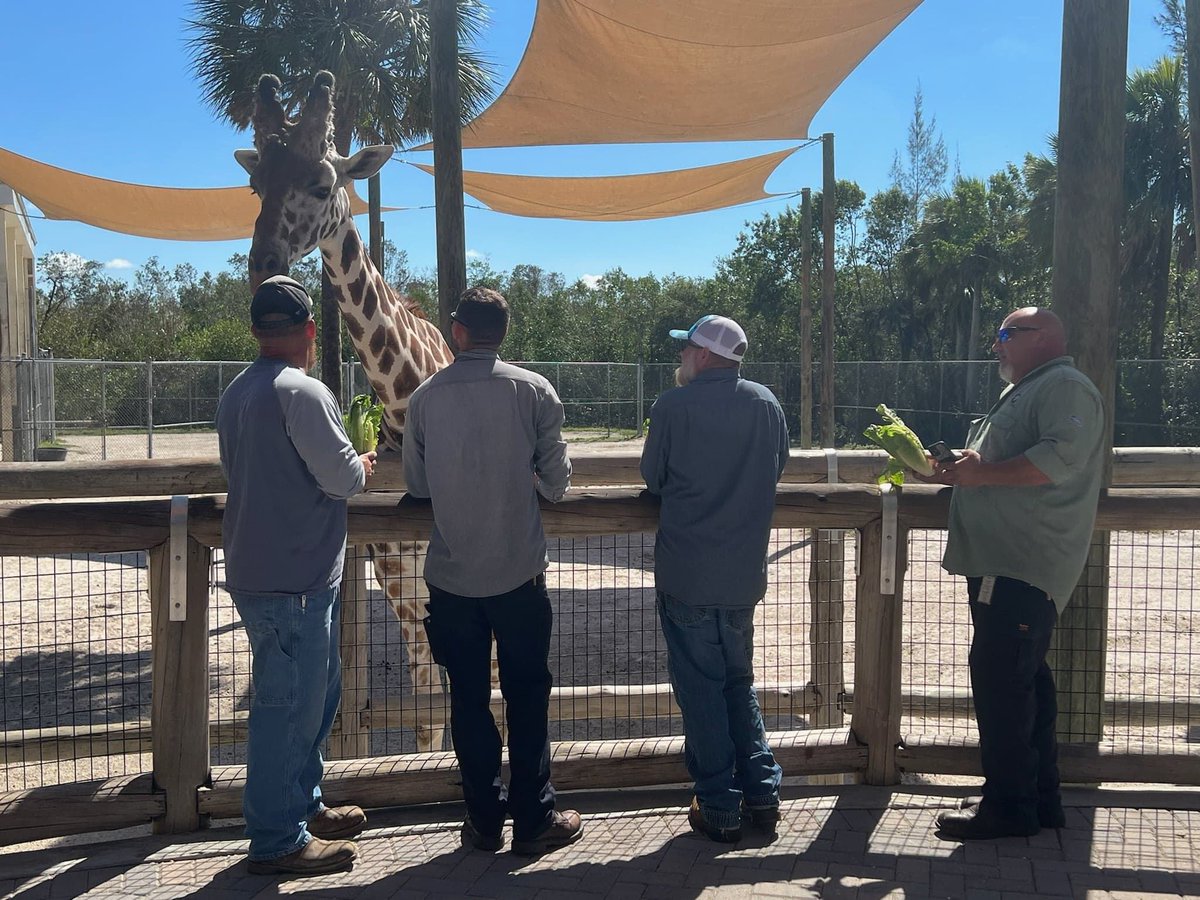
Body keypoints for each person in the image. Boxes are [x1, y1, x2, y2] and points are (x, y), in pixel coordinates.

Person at [402, 286, 582, 857]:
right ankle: (534, 816)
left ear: (457, 331)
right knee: (528, 695)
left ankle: (482, 820)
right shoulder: (535, 391)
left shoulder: (426, 399)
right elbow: (557, 484)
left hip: (452, 582)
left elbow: (417, 487)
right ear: (502, 333)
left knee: (468, 700)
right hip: (520, 578)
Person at [216, 275, 377, 876]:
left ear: (258, 330)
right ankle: (278, 837)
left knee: (309, 697)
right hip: (297, 581)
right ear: (310, 330)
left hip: (263, 571)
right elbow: (343, 480)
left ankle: (301, 807)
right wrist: (360, 461)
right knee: (288, 707)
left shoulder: (237, 391)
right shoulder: (302, 393)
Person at [924, 307, 1105, 840]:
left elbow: (1057, 459)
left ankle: (1007, 808)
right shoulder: (1031, 388)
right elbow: (1010, 458)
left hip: (1023, 562)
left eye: (1006, 334)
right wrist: (967, 463)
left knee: (1000, 684)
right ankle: (1038, 800)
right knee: (1025, 683)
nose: (996, 344)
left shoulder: (1066, 386)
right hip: (1004, 563)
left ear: (1043, 338)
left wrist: (984, 475)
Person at [640, 314, 789, 843]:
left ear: (702, 354)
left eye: (686, 350)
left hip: (688, 574)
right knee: (737, 683)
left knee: (701, 691)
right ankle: (764, 793)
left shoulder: (672, 406)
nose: (681, 358)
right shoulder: (767, 403)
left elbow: (652, 477)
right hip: (743, 574)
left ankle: (720, 805)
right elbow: (779, 467)